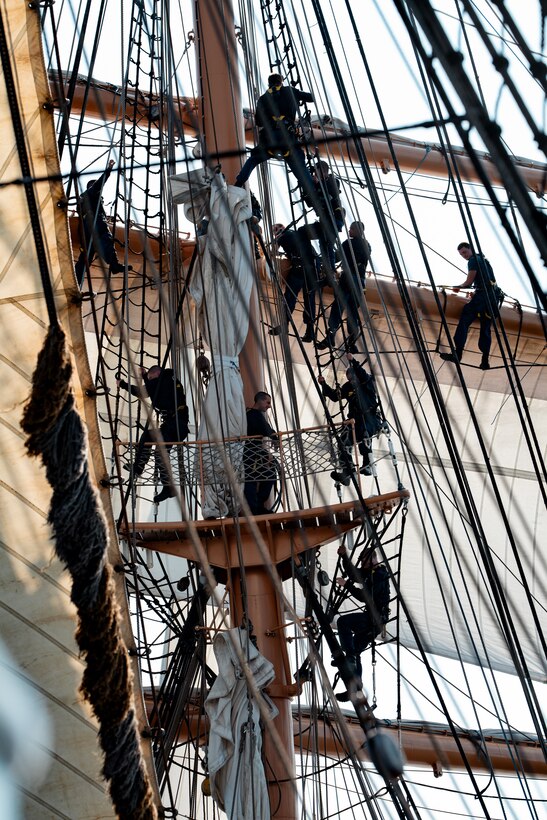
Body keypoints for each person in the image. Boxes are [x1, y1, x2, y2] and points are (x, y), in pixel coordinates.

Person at [234, 74, 321, 217]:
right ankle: (317, 203)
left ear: (269, 84)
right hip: (288, 139)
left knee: (253, 159)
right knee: (301, 170)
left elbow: (259, 122)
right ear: (281, 81)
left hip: (269, 140)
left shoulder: (263, 98)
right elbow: (311, 98)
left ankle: (238, 183)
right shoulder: (290, 91)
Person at [117, 365, 189, 503]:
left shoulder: (163, 380)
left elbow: (143, 392)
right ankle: (139, 466)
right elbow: (154, 389)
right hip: (174, 425)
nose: (149, 381)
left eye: (150, 378)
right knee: (148, 436)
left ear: (156, 374)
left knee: (160, 452)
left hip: (175, 425)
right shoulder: (168, 379)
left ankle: (169, 488)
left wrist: (122, 384)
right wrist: (145, 376)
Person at [333, 544, 391, 701]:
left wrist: (347, 586)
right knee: (355, 650)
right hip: (373, 622)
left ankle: (349, 657)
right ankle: (355, 686)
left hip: (374, 620)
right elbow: (354, 573)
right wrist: (344, 556)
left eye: (365, 561)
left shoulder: (380, 574)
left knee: (343, 622)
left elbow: (366, 597)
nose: (363, 565)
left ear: (374, 559)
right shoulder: (369, 572)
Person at [319, 352, 383, 483]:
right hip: (353, 421)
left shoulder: (367, 382)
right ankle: (348, 471)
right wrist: (324, 384)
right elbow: (335, 396)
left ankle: (368, 465)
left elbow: (362, 374)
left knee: (365, 434)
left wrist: (353, 361)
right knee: (342, 441)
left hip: (369, 419)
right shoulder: (348, 387)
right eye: (349, 379)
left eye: (353, 378)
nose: (351, 381)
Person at [440, 242, 503, 371]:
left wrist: (458, 287)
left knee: (465, 319)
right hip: (492, 299)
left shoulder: (473, 260)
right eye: (461, 254)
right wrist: (475, 292)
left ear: (471, 249)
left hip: (482, 298)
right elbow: (487, 282)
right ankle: (485, 361)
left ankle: (457, 354)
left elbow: (468, 282)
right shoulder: (484, 260)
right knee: (486, 328)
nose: (463, 255)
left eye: (464, 252)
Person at [74, 159, 133, 288]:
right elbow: (100, 183)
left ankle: (76, 281)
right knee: (106, 239)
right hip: (96, 225)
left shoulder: (83, 199)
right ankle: (114, 265)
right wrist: (109, 169)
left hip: (85, 229)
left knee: (85, 257)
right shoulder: (93, 192)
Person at [317, 221, 371, 352]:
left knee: (337, 309)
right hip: (360, 283)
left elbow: (336, 257)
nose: (349, 231)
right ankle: (351, 343)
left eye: (351, 229)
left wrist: (324, 254)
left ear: (357, 231)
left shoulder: (348, 243)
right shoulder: (367, 245)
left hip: (348, 279)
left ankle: (330, 338)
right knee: (352, 313)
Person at [268, 223, 321, 343]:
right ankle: (310, 332)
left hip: (299, 269)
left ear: (280, 229)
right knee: (309, 300)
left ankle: (284, 325)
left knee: (289, 297)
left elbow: (273, 252)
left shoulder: (282, 237)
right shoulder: (298, 234)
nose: (275, 232)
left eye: (275, 229)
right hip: (312, 269)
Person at [302, 160, 344, 271]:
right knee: (304, 233)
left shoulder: (333, 181)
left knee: (327, 244)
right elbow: (310, 203)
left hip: (334, 218)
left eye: (316, 172)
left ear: (323, 171)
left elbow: (330, 192)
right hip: (324, 220)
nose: (315, 175)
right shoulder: (319, 184)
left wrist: (318, 183)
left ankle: (331, 271)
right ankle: (315, 260)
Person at [243, 391, 278, 515]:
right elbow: (265, 429)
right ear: (260, 401)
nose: (269, 406)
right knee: (252, 478)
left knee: (267, 475)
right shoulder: (253, 415)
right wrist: (274, 437)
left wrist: (273, 435)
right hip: (250, 453)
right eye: (267, 402)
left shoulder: (253, 414)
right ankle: (254, 509)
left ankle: (257, 506)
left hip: (254, 452)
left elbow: (266, 428)